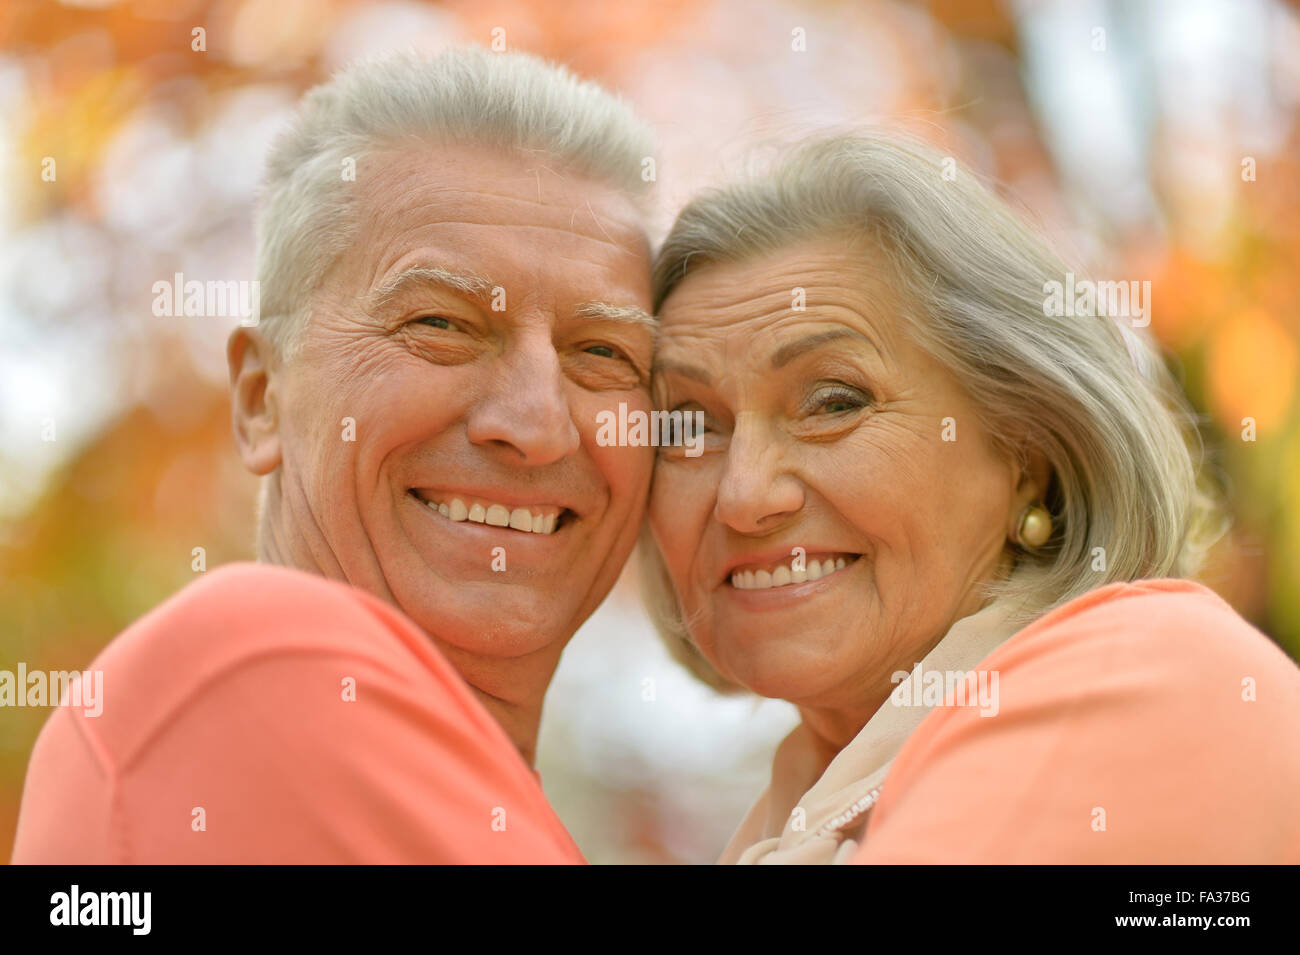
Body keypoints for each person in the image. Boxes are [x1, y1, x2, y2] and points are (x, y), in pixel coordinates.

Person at [12, 47, 657, 864]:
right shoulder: (246, 662)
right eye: (441, 324)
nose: (537, 424)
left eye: (603, 352)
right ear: (260, 398)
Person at [641, 131, 1300, 864]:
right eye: (689, 426)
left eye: (832, 401)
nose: (743, 492)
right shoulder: (802, 812)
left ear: (1030, 450)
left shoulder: (1139, 674)